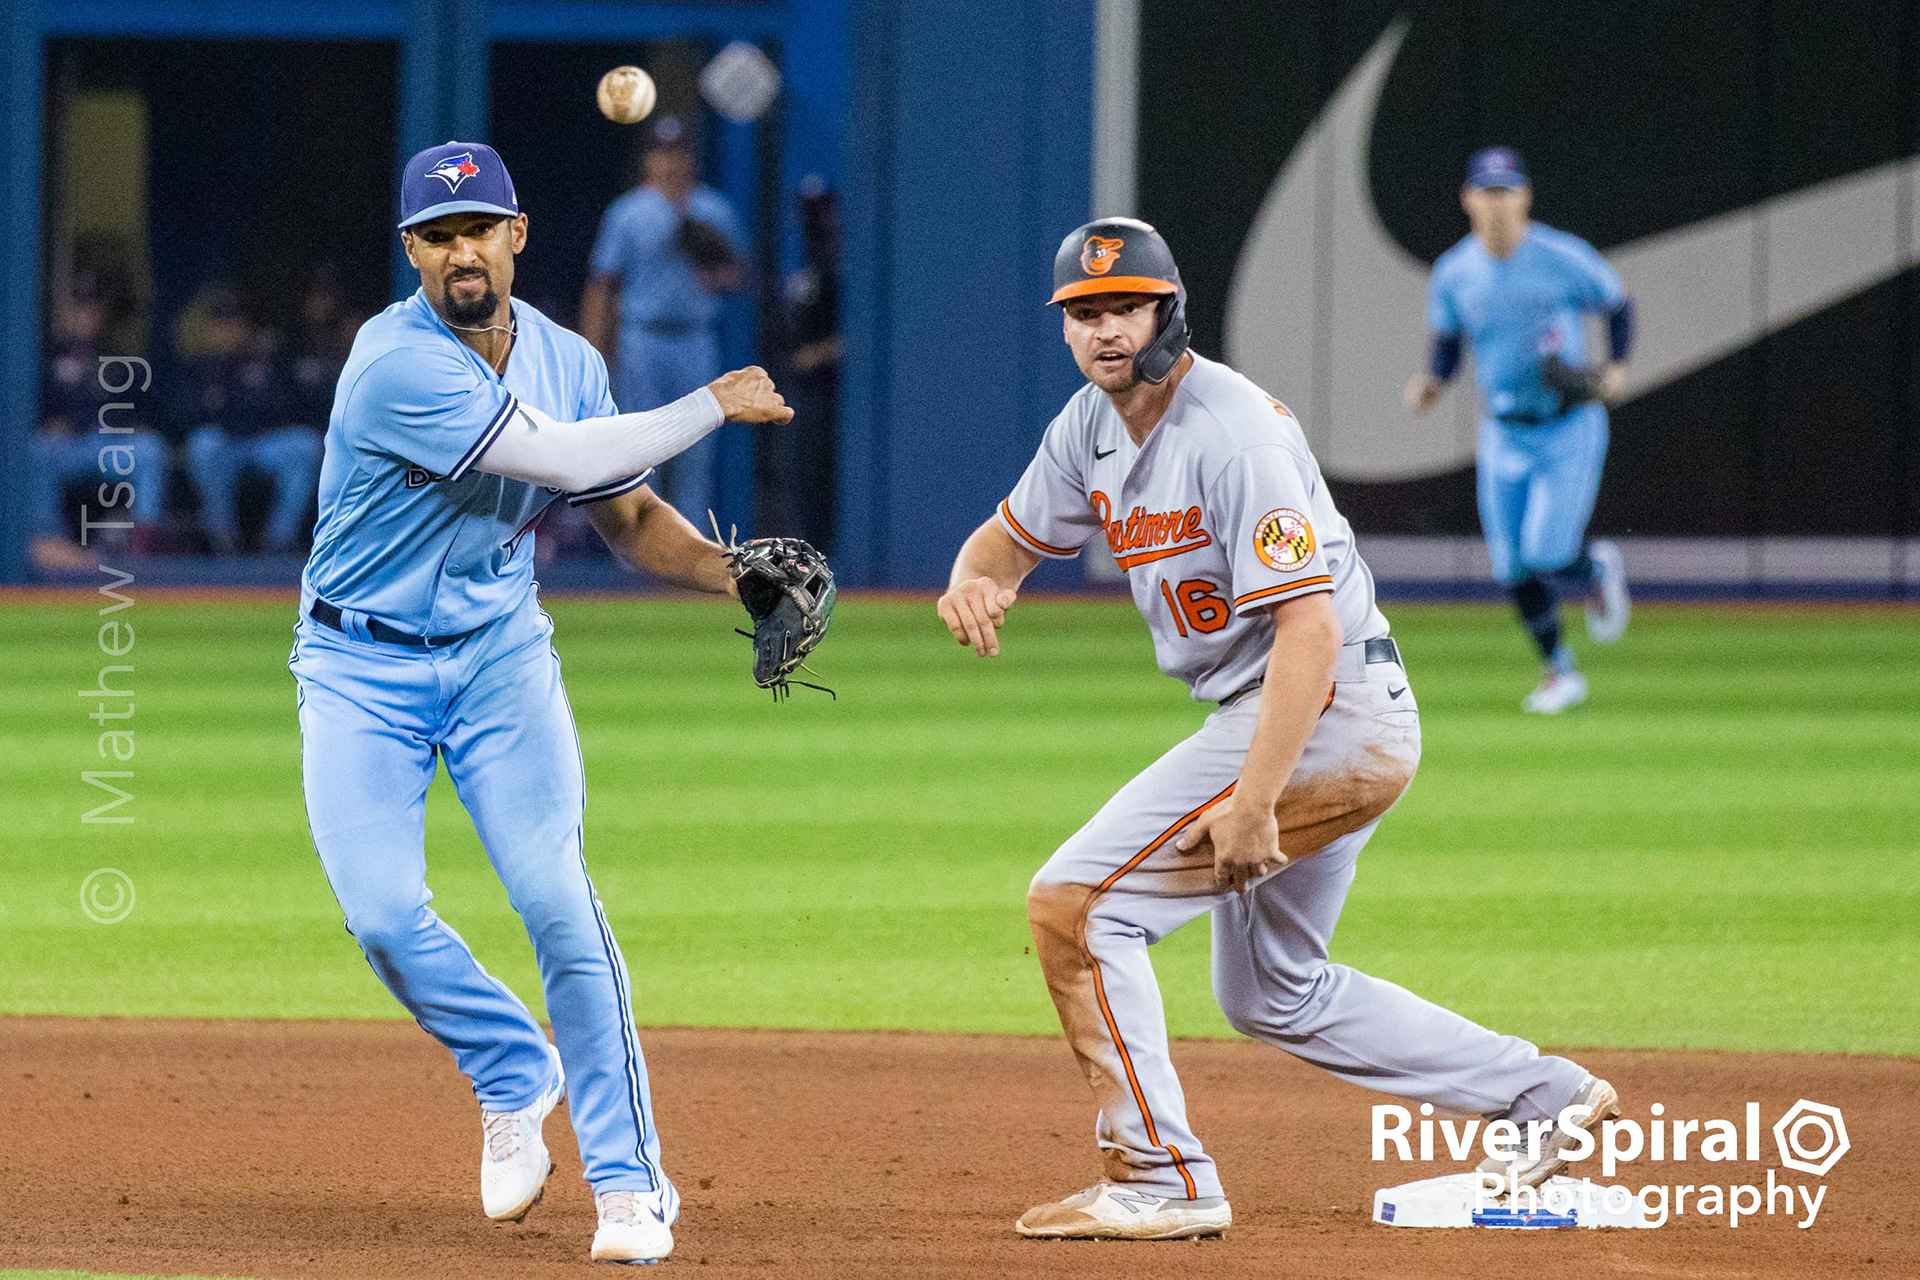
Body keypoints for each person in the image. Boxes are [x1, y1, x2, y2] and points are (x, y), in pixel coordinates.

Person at [937, 218, 1617, 1241]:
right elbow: (1009, 537)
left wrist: (1256, 798)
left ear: (1169, 310)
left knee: (1077, 907)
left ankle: (1162, 1176)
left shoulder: (1231, 431)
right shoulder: (1091, 423)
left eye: (1123, 306)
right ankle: (1544, 1097)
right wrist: (974, 577)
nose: (1104, 330)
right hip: (1314, 714)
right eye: (1084, 313)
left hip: (1326, 712)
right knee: (1273, 991)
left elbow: (1306, 626)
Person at [289, 141, 791, 1265]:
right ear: (411, 251)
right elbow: (557, 460)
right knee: (380, 912)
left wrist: (733, 576)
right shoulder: (392, 363)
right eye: (437, 234)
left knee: (557, 898)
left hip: (499, 656)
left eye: (480, 228)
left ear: (518, 234)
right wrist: (709, 402)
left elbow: (628, 520)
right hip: (358, 668)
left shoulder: (567, 358)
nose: (461, 250)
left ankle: (630, 1186)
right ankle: (514, 1066)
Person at [1405, 147, 1634, 713]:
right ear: (1468, 199)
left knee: (1546, 550)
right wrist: (1434, 380)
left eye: (1507, 191)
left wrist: (1616, 366)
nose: (1498, 202)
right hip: (1504, 430)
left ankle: (1594, 566)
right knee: (1510, 564)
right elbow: (1450, 339)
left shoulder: (1559, 256)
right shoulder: (1456, 271)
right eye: (1488, 191)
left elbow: (1616, 302)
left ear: (1526, 196)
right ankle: (1559, 671)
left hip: (1565, 425)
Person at [581, 115, 746, 522]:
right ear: (647, 160)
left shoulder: (714, 209)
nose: (670, 162)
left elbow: (737, 278)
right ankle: (639, 556)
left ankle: (690, 557)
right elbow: (602, 286)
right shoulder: (629, 212)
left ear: (691, 158)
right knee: (641, 449)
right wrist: (594, 353)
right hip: (643, 339)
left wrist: (710, 259)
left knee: (696, 450)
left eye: (678, 152)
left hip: (695, 337)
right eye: (661, 152)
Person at [30, 275, 169, 571]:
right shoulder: (46, 354)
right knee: (38, 449)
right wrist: (49, 421)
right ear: (65, 312)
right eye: (79, 308)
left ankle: (142, 543)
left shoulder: (116, 355)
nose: (86, 316)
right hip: (67, 447)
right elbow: (29, 404)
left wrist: (131, 423)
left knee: (150, 448)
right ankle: (50, 540)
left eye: (92, 309)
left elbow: (144, 406)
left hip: (107, 445)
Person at [178, 287, 324, 554]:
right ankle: (223, 541)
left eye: (233, 322)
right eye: (220, 323)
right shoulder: (198, 365)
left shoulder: (266, 360)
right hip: (226, 448)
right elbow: (185, 417)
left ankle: (279, 541)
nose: (226, 330)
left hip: (263, 445)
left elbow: (289, 407)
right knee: (204, 445)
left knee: (306, 444)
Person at [758, 176, 841, 550]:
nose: (814, 220)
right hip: (792, 386)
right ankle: (798, 550)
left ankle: (828, 551)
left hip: (831, 389)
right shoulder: (795, 261)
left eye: (820, 210)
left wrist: (822, 352)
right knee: (794, 473)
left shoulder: (841, 263)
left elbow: (860, 332)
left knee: (823, 472)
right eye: (808, 211)